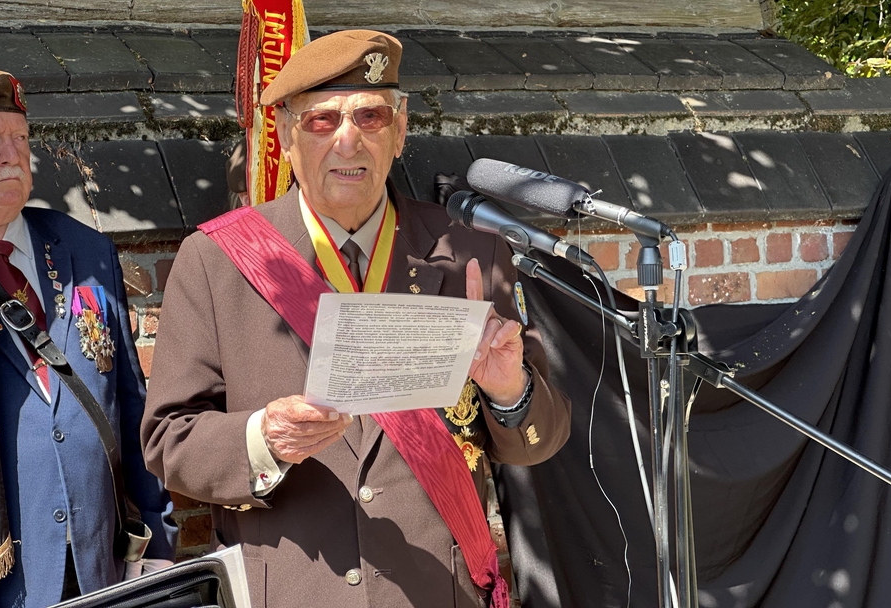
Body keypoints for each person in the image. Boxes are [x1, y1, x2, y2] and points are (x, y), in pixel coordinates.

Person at [142, 31, 571, 607]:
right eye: (322, 121)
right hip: (293, 591)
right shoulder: (216, 261)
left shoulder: (471, 252)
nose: (348, 142)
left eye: (369, 116)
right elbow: (168, 441)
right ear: (287, 137)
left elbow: (537, 443)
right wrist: (262, 438)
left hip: (435, 592)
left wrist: (509, 391)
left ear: (399, 131)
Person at [0, 70, 177, 607]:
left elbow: (129, 403)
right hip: (1, 579)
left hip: (100, 563)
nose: (12, 155)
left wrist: (159, 537)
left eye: (21, 138)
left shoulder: (85, 250)